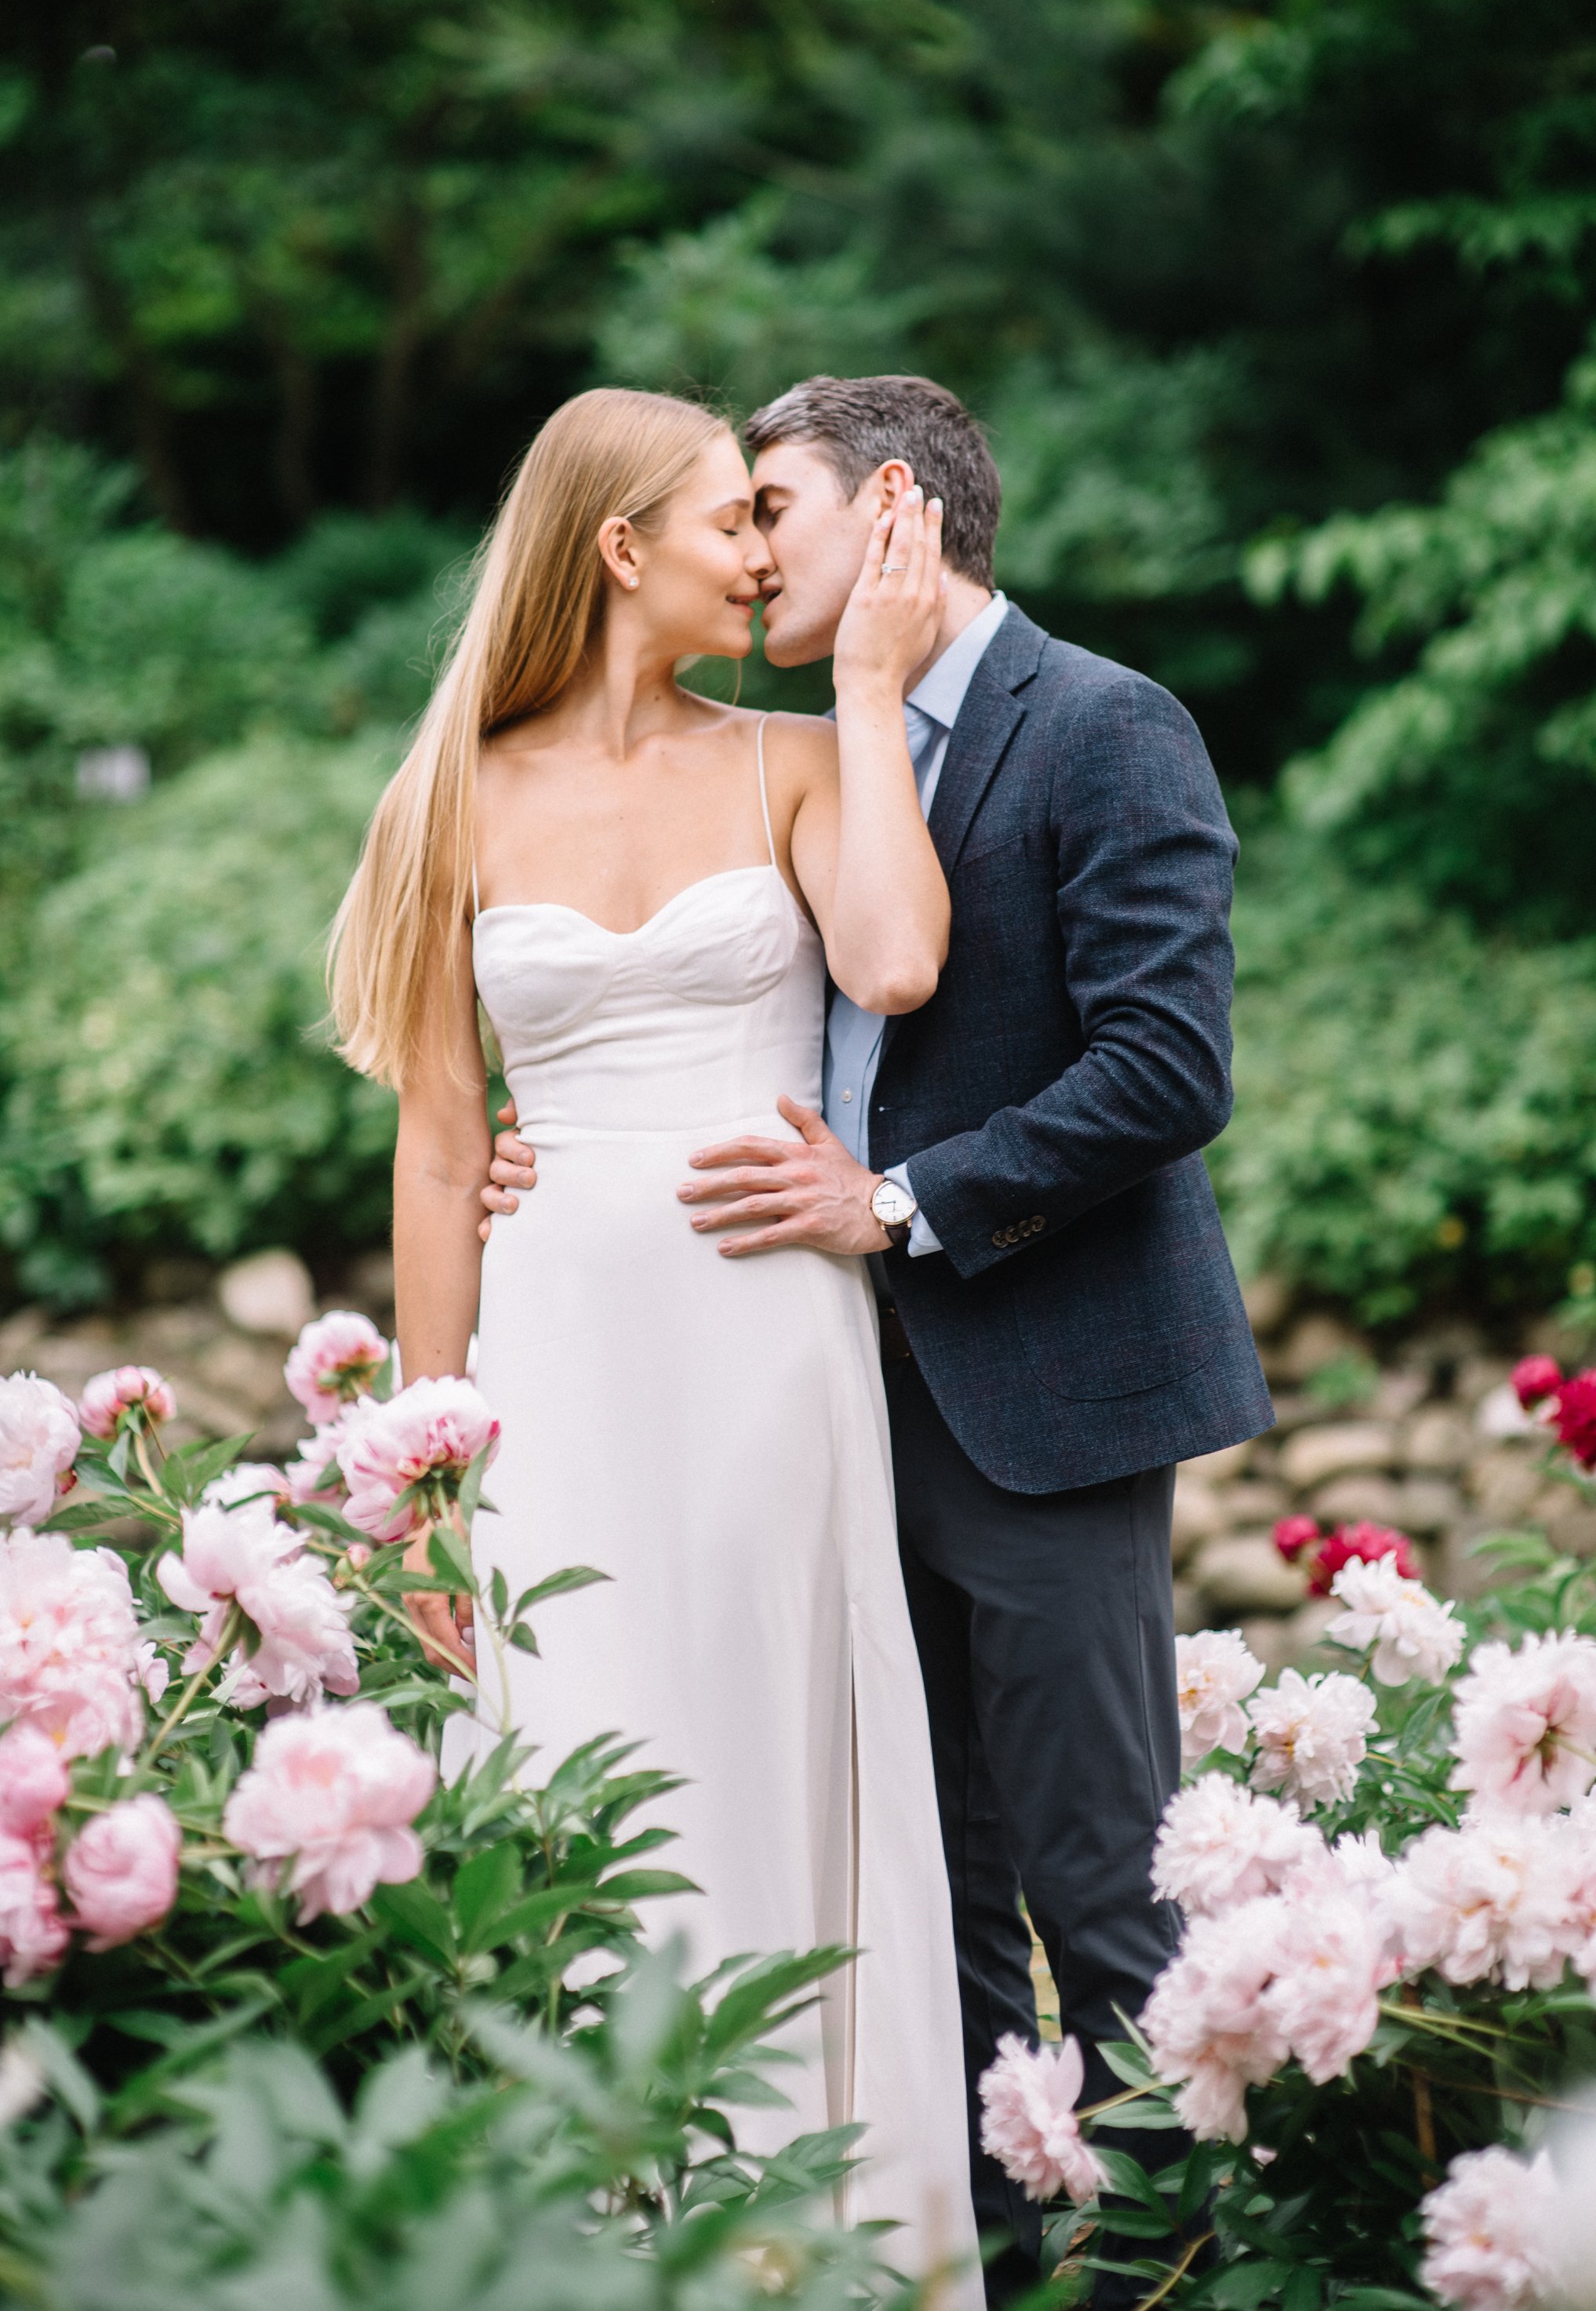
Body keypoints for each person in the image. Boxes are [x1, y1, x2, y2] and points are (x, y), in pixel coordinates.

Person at [483, 375, 1275, 2302]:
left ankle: (1220, 2260)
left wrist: (900, 1203)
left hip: (1048, 1386)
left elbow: (1169, 1067)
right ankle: (976, 2267)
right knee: (914, 1893)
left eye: (777, 508)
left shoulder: (1098, 722)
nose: (753, 554)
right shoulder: (788, 747)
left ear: (895, 513)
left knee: (1103, 1879)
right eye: (728, 518)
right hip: (821, 1401)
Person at [329, 387, 981, 2291]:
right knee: (584, 1756)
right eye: (731, 524)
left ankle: (827, 2238)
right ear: (621, 548)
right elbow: (444, 1148)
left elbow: (895, 963)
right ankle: (599, 2240)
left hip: (770, 1342)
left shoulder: (787, 758)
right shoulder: (453, 787)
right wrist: (428, 1468)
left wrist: (865, 696)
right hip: (557, 1356)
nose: (767, 557)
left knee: (769, 1741)